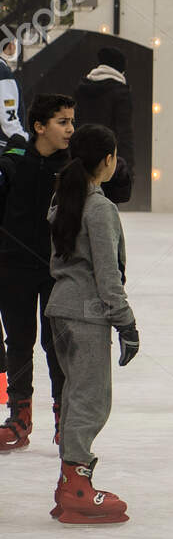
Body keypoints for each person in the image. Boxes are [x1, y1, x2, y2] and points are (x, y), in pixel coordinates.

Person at [44, 123, 139, 523]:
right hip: (85, 315)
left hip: (60, 312)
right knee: (91, 399)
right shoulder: (99, 209)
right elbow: (107, 275)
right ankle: (77, 487)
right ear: (107, 161)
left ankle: (69, 483)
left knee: (74, 396)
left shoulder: (64, 198)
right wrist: (126, 323)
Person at [0, 93, 74, 451]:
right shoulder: (13, 164)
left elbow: (118, 190)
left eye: (72, 122)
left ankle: (65, 420)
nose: (70, 129)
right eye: (63, 122)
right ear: (39, 127)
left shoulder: (75, 167)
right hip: (14, 268)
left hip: (57, 270)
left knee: (57, 346)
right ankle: (19, 417)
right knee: (18, 342)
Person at [73, 46, 135, 204]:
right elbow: (124, 132)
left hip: (82, 158)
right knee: (105, 208)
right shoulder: (120, 92)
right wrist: (128, 167)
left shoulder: (82, 88)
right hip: (108, 160)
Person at [0, 45, 24, 148]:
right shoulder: (3, 72)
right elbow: (8, 117)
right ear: (10, 45)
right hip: (6, 145)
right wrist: (22, 142)